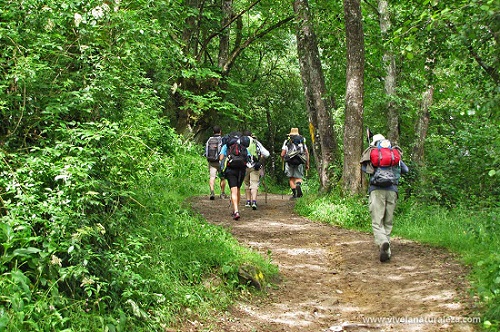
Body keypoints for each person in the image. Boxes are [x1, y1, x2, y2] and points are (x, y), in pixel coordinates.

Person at [360, 133, 409, 262]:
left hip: (376, 191)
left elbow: (364, 169)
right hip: (393, 190)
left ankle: (382, 243)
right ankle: (386, 251)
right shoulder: (394, 155)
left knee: (377, 221)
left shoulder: (373, 155)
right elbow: (406, 170)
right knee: (388, 221)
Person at [219, 133, 251, 220]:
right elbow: (249, 157)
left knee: (233, 190)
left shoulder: (227, 145)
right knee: (238, 189)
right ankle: (236, 209)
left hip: (231, 169)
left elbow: (221, 157)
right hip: (241, 170)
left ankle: (236, 211)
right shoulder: (243, 146)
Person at [242, 130, 270, 210]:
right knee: (254, 183)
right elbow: (267, 154)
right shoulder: (256, 142)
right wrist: (260, 158)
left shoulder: (241, 141)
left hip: (245, 166)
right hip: (255, 166)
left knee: (246, 183)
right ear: (251, 135)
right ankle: (254, 201)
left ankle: (248, 201)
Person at [280, 127, 310, 199]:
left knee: (291, 178)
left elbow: (282, 154)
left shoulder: (287, 141)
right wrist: (307, 164)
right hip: (299, 161)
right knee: (298, 177)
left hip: (289, 162)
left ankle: (294, 195)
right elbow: (306, 153)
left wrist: (283, 160)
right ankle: (298, 185)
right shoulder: (302, 140)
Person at [204, 126, 227, 200]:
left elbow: (206, 151)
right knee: (222, 178)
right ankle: (222, 193)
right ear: (220, 131)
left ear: (213, 132)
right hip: (220, 162)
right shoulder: (222, 140)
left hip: (211, 161)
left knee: (212, 177)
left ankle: (212, 192)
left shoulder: (209, 140)